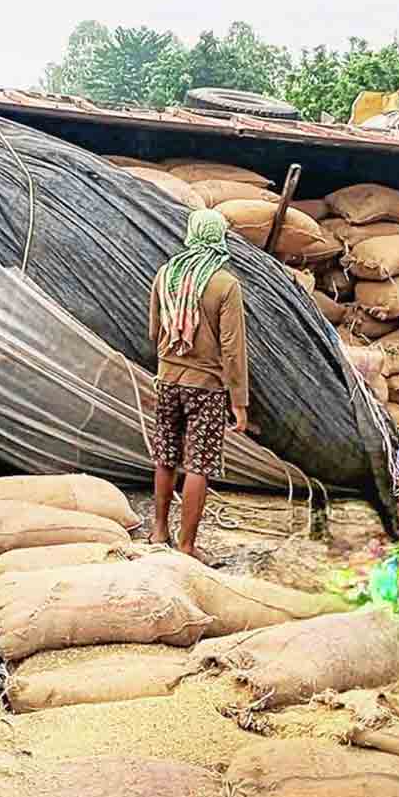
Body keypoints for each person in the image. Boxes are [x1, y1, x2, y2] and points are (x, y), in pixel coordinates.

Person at [148, 209, 249, 558]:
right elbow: (233, 349)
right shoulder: (225, 284)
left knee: (165, 455)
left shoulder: (166, 275)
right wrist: (239, 401)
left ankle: (159, 532)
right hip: (206, 385)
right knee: (198, 464)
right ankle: (188, 545)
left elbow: (153, 330)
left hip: (167, 379)